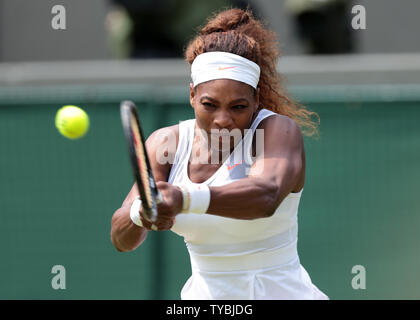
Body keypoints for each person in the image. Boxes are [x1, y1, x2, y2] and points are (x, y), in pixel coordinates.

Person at [111, 8, 328, 300]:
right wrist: (141, 213)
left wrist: (183, 198)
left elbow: (266, 196)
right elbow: (121, 237)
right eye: (209, 105)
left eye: (237, 107)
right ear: (191, 96)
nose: (223, 119)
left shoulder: (277, 131)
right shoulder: (166, 143)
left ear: (255, 100)